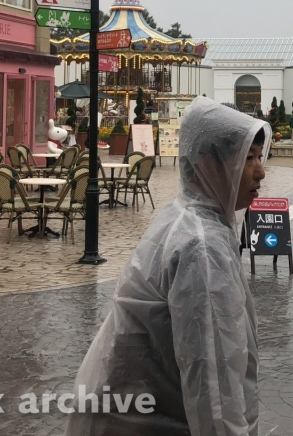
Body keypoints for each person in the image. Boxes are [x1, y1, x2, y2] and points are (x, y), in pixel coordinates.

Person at [67, 96, 269, 435]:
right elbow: (212, 382)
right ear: (210, 164)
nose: (260, 172)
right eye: (247, 159)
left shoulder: (188, 220)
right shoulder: (201, 248)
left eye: (259, 157)